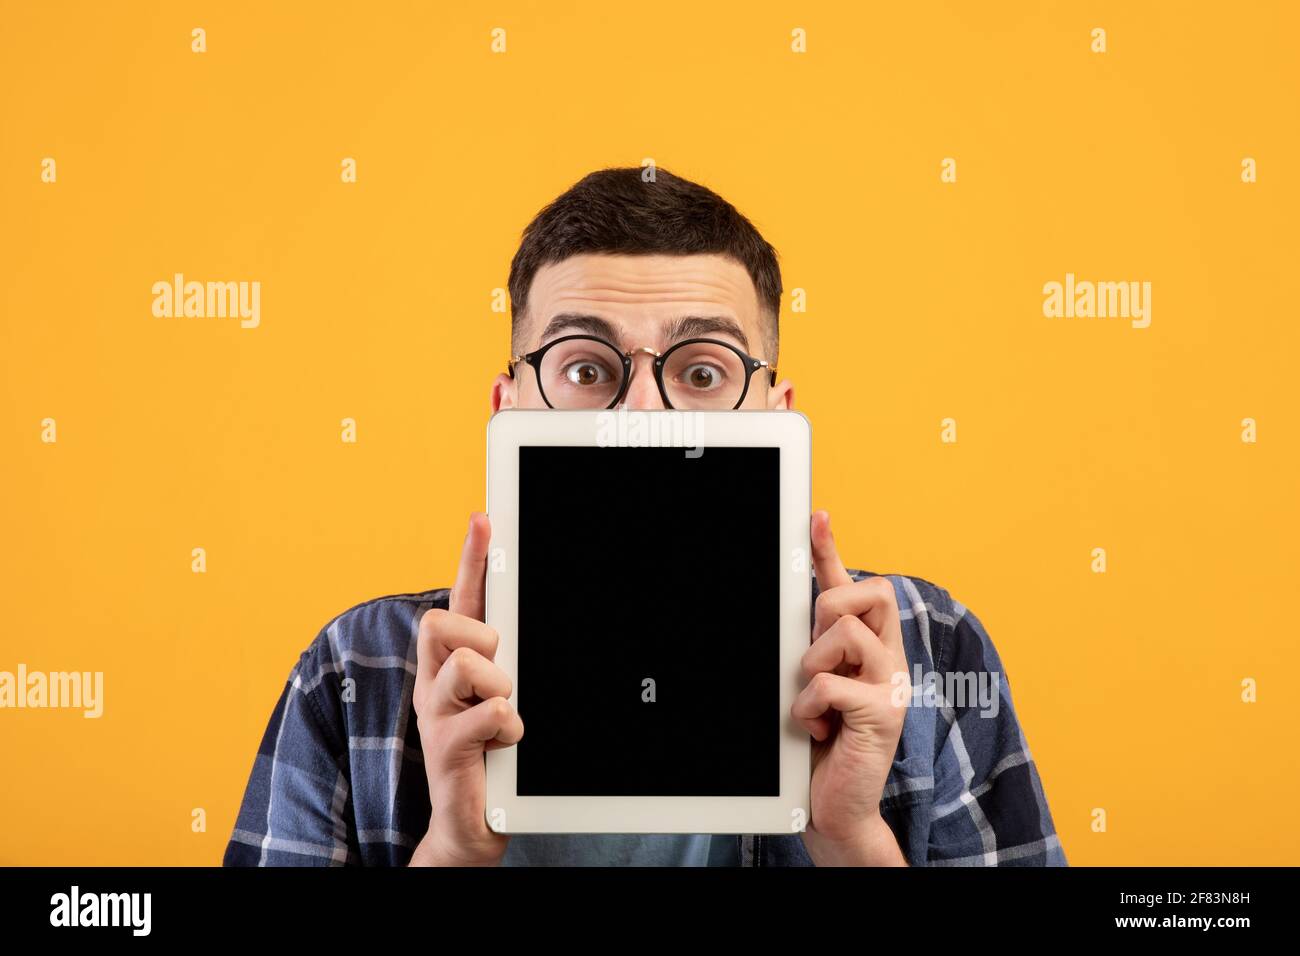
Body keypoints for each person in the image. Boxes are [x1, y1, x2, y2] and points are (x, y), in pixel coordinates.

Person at [224, 167, 1066, 867]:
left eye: (704, 373)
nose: (642, 417)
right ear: (507, 407)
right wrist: (449, 850)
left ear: (775, 413)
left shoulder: (927, 649)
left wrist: (852, 842)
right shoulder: (355, 673)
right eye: (585, 367)